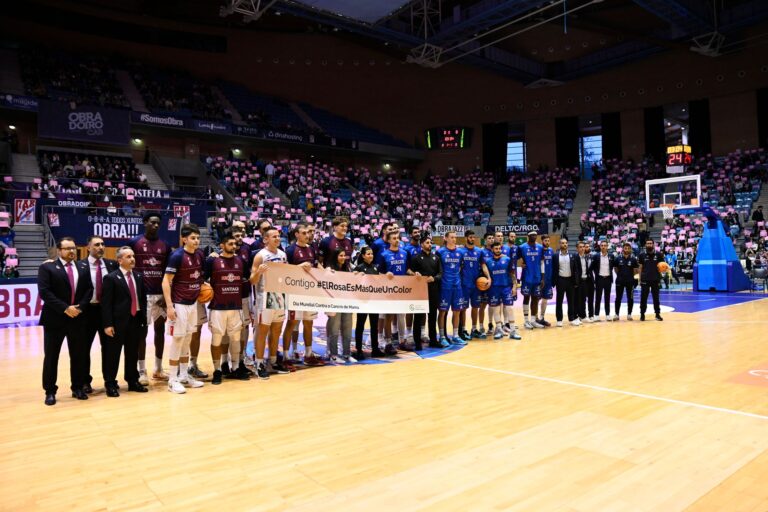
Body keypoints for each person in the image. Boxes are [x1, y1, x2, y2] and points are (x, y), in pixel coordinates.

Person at [39, 236, 94, 405]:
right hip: (55, 319)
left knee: (78, 355)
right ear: (59, 250)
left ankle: (77, 388)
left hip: (77, 318)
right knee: (51, 356)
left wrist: (80, 307)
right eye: (68, 248)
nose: (72, 251)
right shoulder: (47, 267)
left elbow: (89, 290)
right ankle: (50, 391)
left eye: (73, 248)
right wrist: (65, 308)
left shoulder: (83, 267)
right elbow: (45, 293)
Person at [129, 213, 173, 383]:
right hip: (142, 295)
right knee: (142, 332)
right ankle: (141, 370)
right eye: (152, 222)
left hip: (160, 294)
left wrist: (166, 294)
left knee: (160, 331)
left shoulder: (165, 246)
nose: (155, 225)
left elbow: (168, 273)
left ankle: (158, 368)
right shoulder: (134, 243)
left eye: (158, 223)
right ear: (145, 222)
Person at [162, 223, 206, 394]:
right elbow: (166, 281)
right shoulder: (177, 256)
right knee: (178, 340)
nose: (196, 241)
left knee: (188, 339)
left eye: (197, 238)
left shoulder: (200, 255)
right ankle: (172, 380)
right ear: (184, 239)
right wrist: (169, 306)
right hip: (179, 304)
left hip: (193, 303)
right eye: (193, 238)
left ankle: (183, 375)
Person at [100, 246, 149, 396]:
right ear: (120, 260)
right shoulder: (111, 278)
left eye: (133, 256)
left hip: (135, 321)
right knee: (112, 355)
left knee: (132, 353)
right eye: (128, 257)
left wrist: (143, 319)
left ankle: (132, 381)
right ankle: (110, 383)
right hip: (117, 323)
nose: (132, 259)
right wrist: (107, 324)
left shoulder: (139, 277)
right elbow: (106, 303)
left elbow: (142, 300)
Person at [204, 232, 247, 385]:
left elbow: (247, 280)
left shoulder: (241, 261)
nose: (234, 246)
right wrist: (206, 291)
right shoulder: (212, 261)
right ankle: (217, 370)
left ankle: (235, 368)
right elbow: (202, 279)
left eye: (235, 244)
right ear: (221, 245)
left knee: (236, 339)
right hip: (217, 307)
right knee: (216, 339)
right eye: (230, 244)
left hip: (236, 307)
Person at [250, 227, 291, 379]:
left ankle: (272, 361)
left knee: (276, 331)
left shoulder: (283, 254)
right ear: (265, 239)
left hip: (279, 295)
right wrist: (258, 272)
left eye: (278, 236)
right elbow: (252, 281)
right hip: (264, 296)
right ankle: (259, 363)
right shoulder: (260, 256)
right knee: (263, 332)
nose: (277, 238)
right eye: (274, 236)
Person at [78, 236, 118, 394]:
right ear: (88, 247)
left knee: (109, 349)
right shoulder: (79, 265)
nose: (101, 247)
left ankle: (110, 382)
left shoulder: (112, 264)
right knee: (83, 349)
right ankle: (84, 381)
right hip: (87, 311)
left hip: (106, 311)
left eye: (102, 244)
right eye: (96, 245)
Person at [283, 222, 323, 367]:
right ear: (297, 234)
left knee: (309, 323)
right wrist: (299, 267)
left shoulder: (312, 249)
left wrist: (326, 272)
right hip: (295, 293)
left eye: (308, 233)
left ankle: (308, 354)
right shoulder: (290, 250)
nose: (308, 235)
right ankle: (286, 356)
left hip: (310, 292)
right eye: (304, 233)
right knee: (292, 323)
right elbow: (284, 271)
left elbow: (315, 265)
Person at [377, 230, 410, 353]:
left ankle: (402, 341)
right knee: (389, 316)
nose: (397, 240)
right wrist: (386, 274)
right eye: (394, 238)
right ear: (389, 240)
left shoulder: (405, 253)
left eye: (398, 238)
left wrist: (414, 273)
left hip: (402, 290)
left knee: (401, 315)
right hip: (389, 290)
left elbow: (407, 270)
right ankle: (388, 343)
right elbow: (378, 273)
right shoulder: (384, 254)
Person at [408, 236, 443, 349]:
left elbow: (440, 273)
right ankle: (417, 342)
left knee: (432, 317)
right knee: (418, 317)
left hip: (433, 291)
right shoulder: (416, 258)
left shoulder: (436, 258)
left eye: (430, 242)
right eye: (427, 242)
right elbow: (409, 272)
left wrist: (434, 278)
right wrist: (415, 274)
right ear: (422, 244)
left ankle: (433, 340)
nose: (429, 244)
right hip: (420, 292)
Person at [486, 242, 522, 340]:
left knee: (509, 308)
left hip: (506, 288)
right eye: (496, 248)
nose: (498, 250)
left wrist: (514, 286)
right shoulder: (488, 261)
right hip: (493, 288)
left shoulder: (507, 259)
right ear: (492, 250)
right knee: (496, 309)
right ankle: (498, 330)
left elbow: (512, 274)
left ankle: (513, 331)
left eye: (499, 248)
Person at [353, 246, 384, 359]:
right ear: (363, 256)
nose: (370, 255)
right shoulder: (359, 268)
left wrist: (388, 276)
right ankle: (359, 350)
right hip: (362, 302)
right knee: (360, 325)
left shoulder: (375, 268)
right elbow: (352, 282)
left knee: (374, 326)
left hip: (373, 301)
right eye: (368, 254)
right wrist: (356, 276)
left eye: (371, 253)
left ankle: (375, 349)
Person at [325, 248, 355, 363]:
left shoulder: (348, 268)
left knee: (347, 328)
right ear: (335, 256)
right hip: (334, 303)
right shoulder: (329, 269)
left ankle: (347, 353)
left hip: (347, 302)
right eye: (340, 255)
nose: (343, 258)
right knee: (334, 329)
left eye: (344, 256)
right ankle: (333, 354)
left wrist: (358, 274)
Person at [458, 230, 489, 340]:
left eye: (473, 237)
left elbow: (484, 266)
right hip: (464, 284)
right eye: (470, 237)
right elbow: (458, 267)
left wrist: (488, 278)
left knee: (476, 307)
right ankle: (463, 329)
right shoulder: (461, 251)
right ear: (466, 238)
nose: (472, 239)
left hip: (476, 285)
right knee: (463, 308)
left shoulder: (479, 252)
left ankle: (474, 329)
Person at [436, 231, 466, 346]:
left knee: (457, 311)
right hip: (444, 286)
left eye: (455, 237)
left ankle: (455, 336)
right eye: (452, 237)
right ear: (446, 238)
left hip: (457, 286)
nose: (454, 239)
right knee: (443, 312)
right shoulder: (440, 252)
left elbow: (462, 266)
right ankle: (442, 336)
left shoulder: (460, 252)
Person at [518, 232, 544, 329]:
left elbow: (542, 262)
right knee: (526, 298)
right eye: (532, 235)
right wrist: (520, 262)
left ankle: (533, 320)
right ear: (528, 237)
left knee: (535, 299)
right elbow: (516, 258)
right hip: (526, 277)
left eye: (535, 235)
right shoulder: (522, 247)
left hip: (537, 277)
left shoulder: (540, 247)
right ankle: (526, 321)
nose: (534, 236)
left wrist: (543, 277)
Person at [552, 238, 579, 327]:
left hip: (570, 281)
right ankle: (559, 320)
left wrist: (576, 281)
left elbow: (575, 269)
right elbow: (553, 269)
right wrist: (554, 281)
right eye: (563, 243)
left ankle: (571, 318)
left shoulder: (573, 255)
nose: (565, 245)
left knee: (571, 301)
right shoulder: (555, 256)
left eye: (566, 243)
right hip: (560, 280)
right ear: (560, 245)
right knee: (559, 301)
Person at [638, 239, 664, 321]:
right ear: (645, 245)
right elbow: (640, 267)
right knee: (643, 298)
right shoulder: (642, 255)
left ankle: (657, 314)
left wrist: (661, 276)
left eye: (650, 243)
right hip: (645, 279)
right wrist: (639, 279)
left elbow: (662, 266)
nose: (649, 245)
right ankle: (642, 314)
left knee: (656, 298)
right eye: (647, 243)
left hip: (655, 279)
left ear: (653, 244)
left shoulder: (659, 255)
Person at [613, 242, 639, 321]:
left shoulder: (633, 259)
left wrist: (635, 280)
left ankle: (629, 314)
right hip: (620, 281)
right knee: (618, 298)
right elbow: (616, 269)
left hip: (630, 281)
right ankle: (616, 314)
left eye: (628, 248)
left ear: (630, 249)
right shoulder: (618, 258)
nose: (626, 249)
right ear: (623, 249)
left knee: (630, 298)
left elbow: (636, 271)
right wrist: (621, 275)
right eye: (625, 248)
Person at [591, 240, 615, 321]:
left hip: (608, 279)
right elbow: (591, 267)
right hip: (599, 279)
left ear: (607, 246)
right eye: (602, 245)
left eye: (605, 245)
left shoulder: (611, 256)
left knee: (607, 298)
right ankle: (596, 315)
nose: (603, 247)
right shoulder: (596, 256)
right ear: (600, 247)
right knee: (598, 297)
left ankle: (607, 314)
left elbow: (614, 267)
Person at [536, 234, 554, 327]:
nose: (547, 242)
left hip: (548, 279)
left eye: (548, 240)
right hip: (539, 279)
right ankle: (534, 318)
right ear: (542, 241)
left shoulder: (551, 251)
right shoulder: (538, 251)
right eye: (545, 240)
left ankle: (542, 318)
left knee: (545, 299)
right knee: (536, 299)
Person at [575, 241, 595, 323]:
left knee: (583, 299)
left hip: (585, 280)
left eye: (583, 247)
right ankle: (577, 316)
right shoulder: (574, 257)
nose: (583, 248)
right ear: (577, 248)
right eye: (581, 247)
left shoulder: (586, 257)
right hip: (578, 281)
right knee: (577, 300)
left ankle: (583, 316)